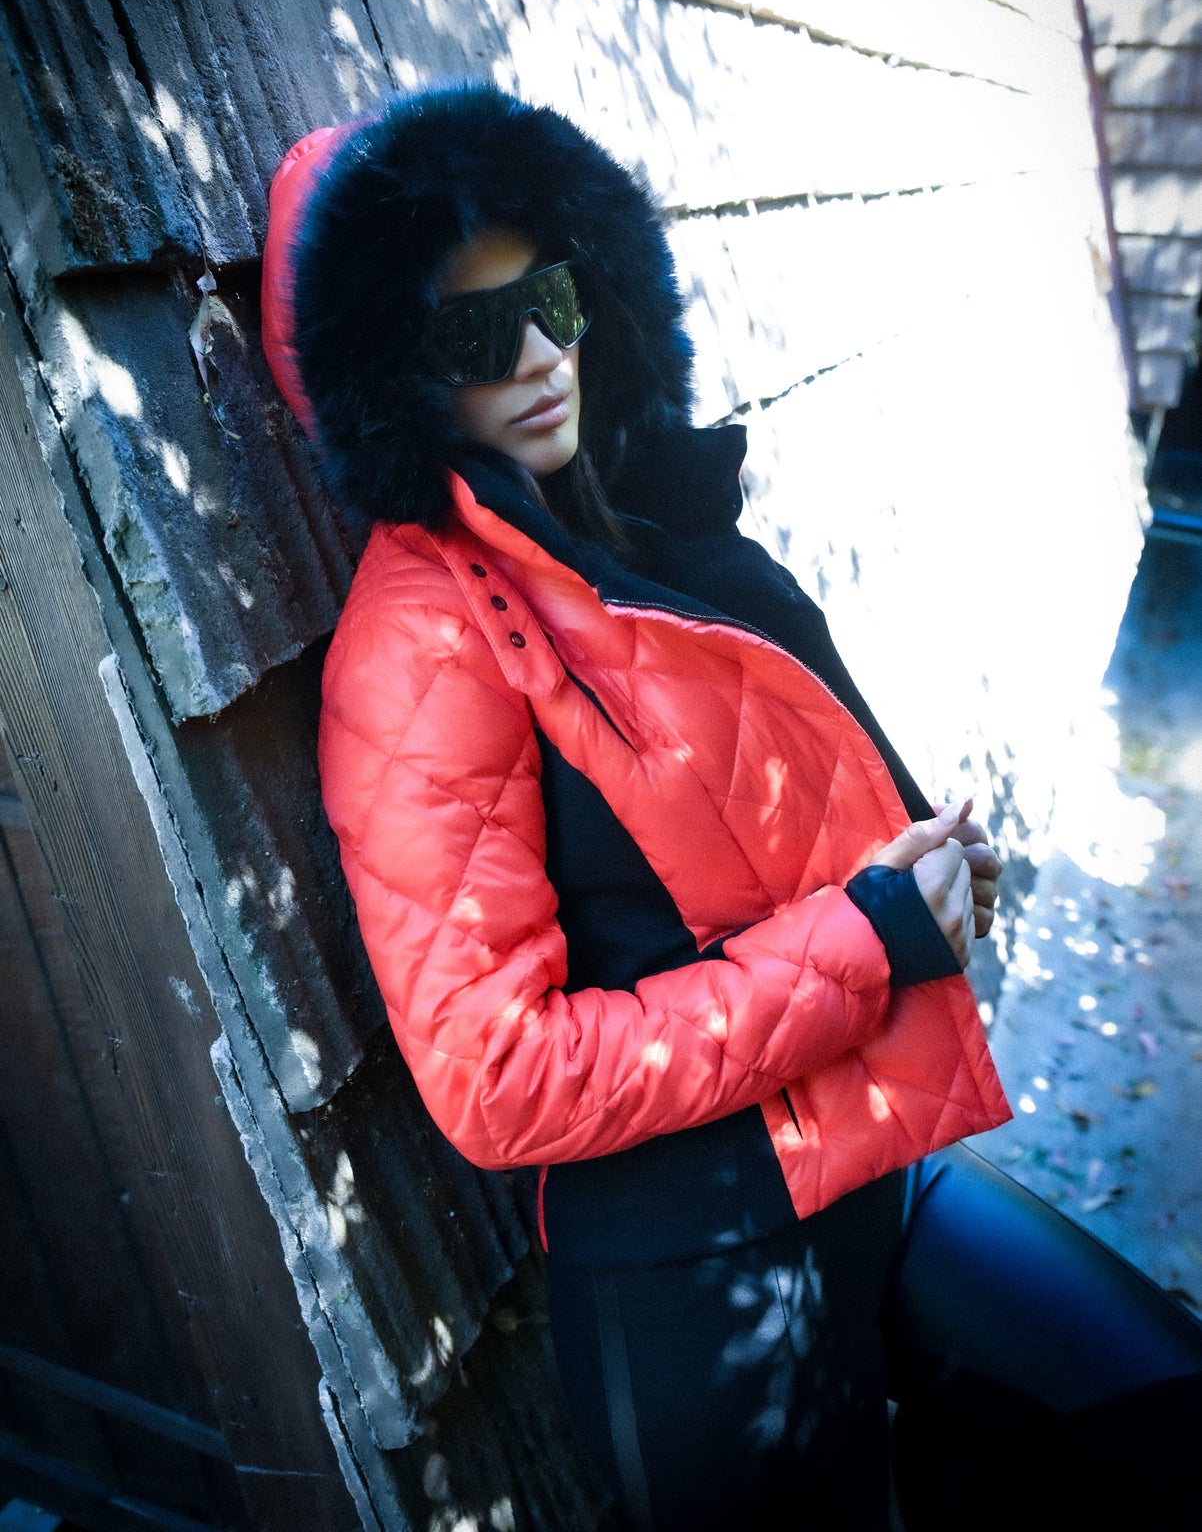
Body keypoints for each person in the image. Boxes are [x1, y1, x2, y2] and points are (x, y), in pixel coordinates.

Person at [260, 85, 1202, 1531]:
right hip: (700, 1282)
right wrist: (870, 939)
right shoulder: (422, 647)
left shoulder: (631, 516)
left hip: (869, 1167)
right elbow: (496, 1076)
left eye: (551, 298)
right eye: (471, 335)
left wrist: (917, 877)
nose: (539, 357)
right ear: (387, 371)